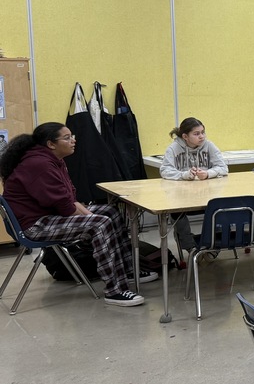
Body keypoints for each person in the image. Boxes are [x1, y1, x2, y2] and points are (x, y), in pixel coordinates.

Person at [0, 123, 158, 306]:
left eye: (72, 135)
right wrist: (92, 219)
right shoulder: (39, 164)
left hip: (47, 216)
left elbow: (70, 199)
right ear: (51, 144)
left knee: (110, 212)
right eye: (67, 138)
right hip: (34, 225)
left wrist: (90, 215)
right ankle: (115, 290)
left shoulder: (53, 160)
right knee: (100, 224)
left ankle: (127, 270)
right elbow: (66, 207)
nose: (73, 140)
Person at [160, 117, 228, 253]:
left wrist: (208, 173)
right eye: (196, 134)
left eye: (203, 132)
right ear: (185, 136)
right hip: (182, 196)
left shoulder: (209, 146)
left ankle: (214, 246)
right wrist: (184, 175)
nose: (201, 136)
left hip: (207, 195)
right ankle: (190, 247)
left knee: (219, 208)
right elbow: (165, 170)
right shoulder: (173, 149)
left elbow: (223, 168)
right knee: (177, 212)